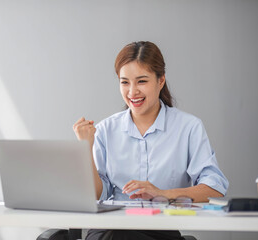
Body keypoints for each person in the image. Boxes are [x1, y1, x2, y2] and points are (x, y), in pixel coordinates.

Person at [72, 41, 229, 240]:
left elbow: (214, 188)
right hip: (111, 228)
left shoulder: (188, 127)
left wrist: (162, 193)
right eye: (125, 82)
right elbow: (96, 197)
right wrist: (85, 147)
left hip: (161, 230)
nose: (132, 92)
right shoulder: (105, 129)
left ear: (161, 80)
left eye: (142, 81)